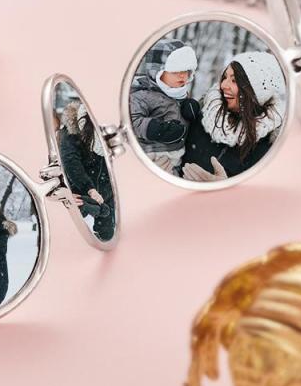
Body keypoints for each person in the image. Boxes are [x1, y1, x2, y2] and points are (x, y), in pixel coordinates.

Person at [181, 52, 284, 181]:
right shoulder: (203, 111)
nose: (223, 85)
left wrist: (224, 186)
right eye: (225, 77)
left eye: (234, 81)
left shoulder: (271, 149)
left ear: (255, 93)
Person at [129, 39, 200, 175]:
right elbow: (132, 120)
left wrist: (190, 109)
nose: (182, 75)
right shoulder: (143, 95)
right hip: (151, 156)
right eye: (175, 71)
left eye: (186, 70)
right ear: (158, 72)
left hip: (177, 159)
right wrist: (156, 130)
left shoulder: (179, 94)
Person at [58, 101, 115, 242]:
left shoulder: (107, 127)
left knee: (107, 234)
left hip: (106, 188)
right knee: (74, 228)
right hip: (80, 187)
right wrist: (89, 188)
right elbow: (71, 161)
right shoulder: (70, 132)